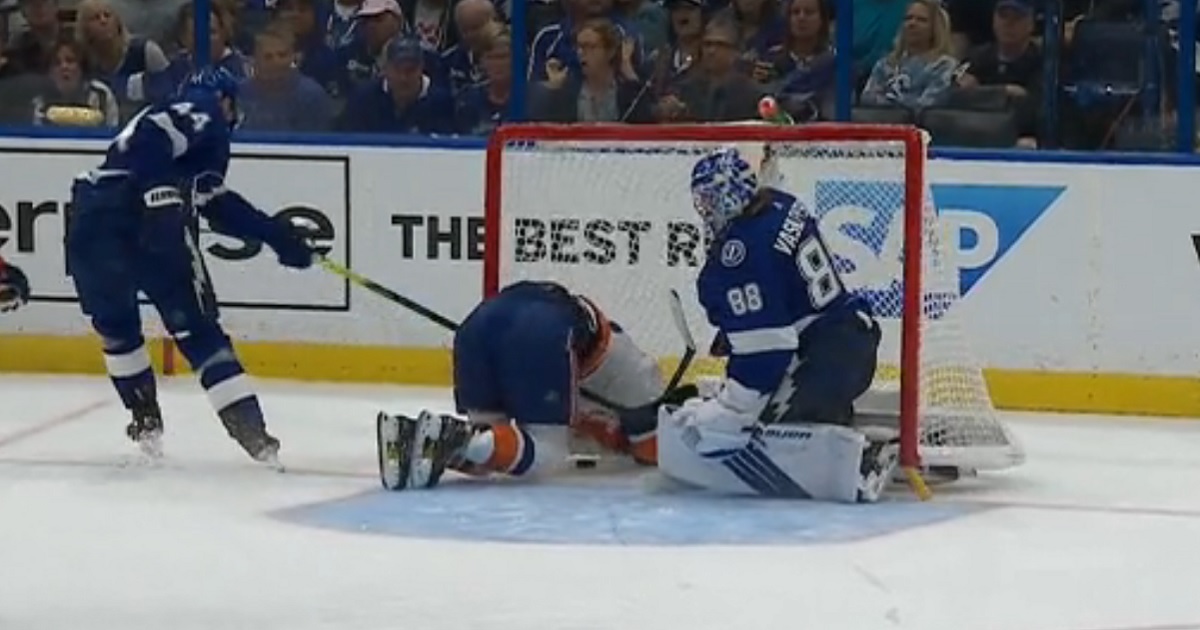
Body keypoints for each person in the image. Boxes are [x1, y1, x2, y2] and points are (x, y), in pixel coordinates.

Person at [65, 67, 315, 465]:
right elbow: (159, 148)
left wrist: (275, 237)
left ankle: (146, 424)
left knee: (115, 327)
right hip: (144, 219)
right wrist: (156, 195)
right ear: (227, 100)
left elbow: (214, 203)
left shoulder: (161, 121)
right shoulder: (206, 109)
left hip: (89, 218)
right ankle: (253, 434)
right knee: (197, 329)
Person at [654, 145, 898, 503]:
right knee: (770, 404)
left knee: (766, 424)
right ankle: (832, 417)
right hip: (850, 339)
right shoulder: (780, 203)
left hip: (826, 362)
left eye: (708, 199)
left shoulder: (738, 253)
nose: (703, 209)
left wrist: (733, 410)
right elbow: (782, 290)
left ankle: (863, 460)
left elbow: (769, 351)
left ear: (727, 196)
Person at [376, 280, 694, 490]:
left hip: (477, 326)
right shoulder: (641, 378)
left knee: (491, 453)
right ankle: (455, 438)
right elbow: (654, 450)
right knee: (546, 455)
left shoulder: (622, 366)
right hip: (540, 333)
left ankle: (410, 435)